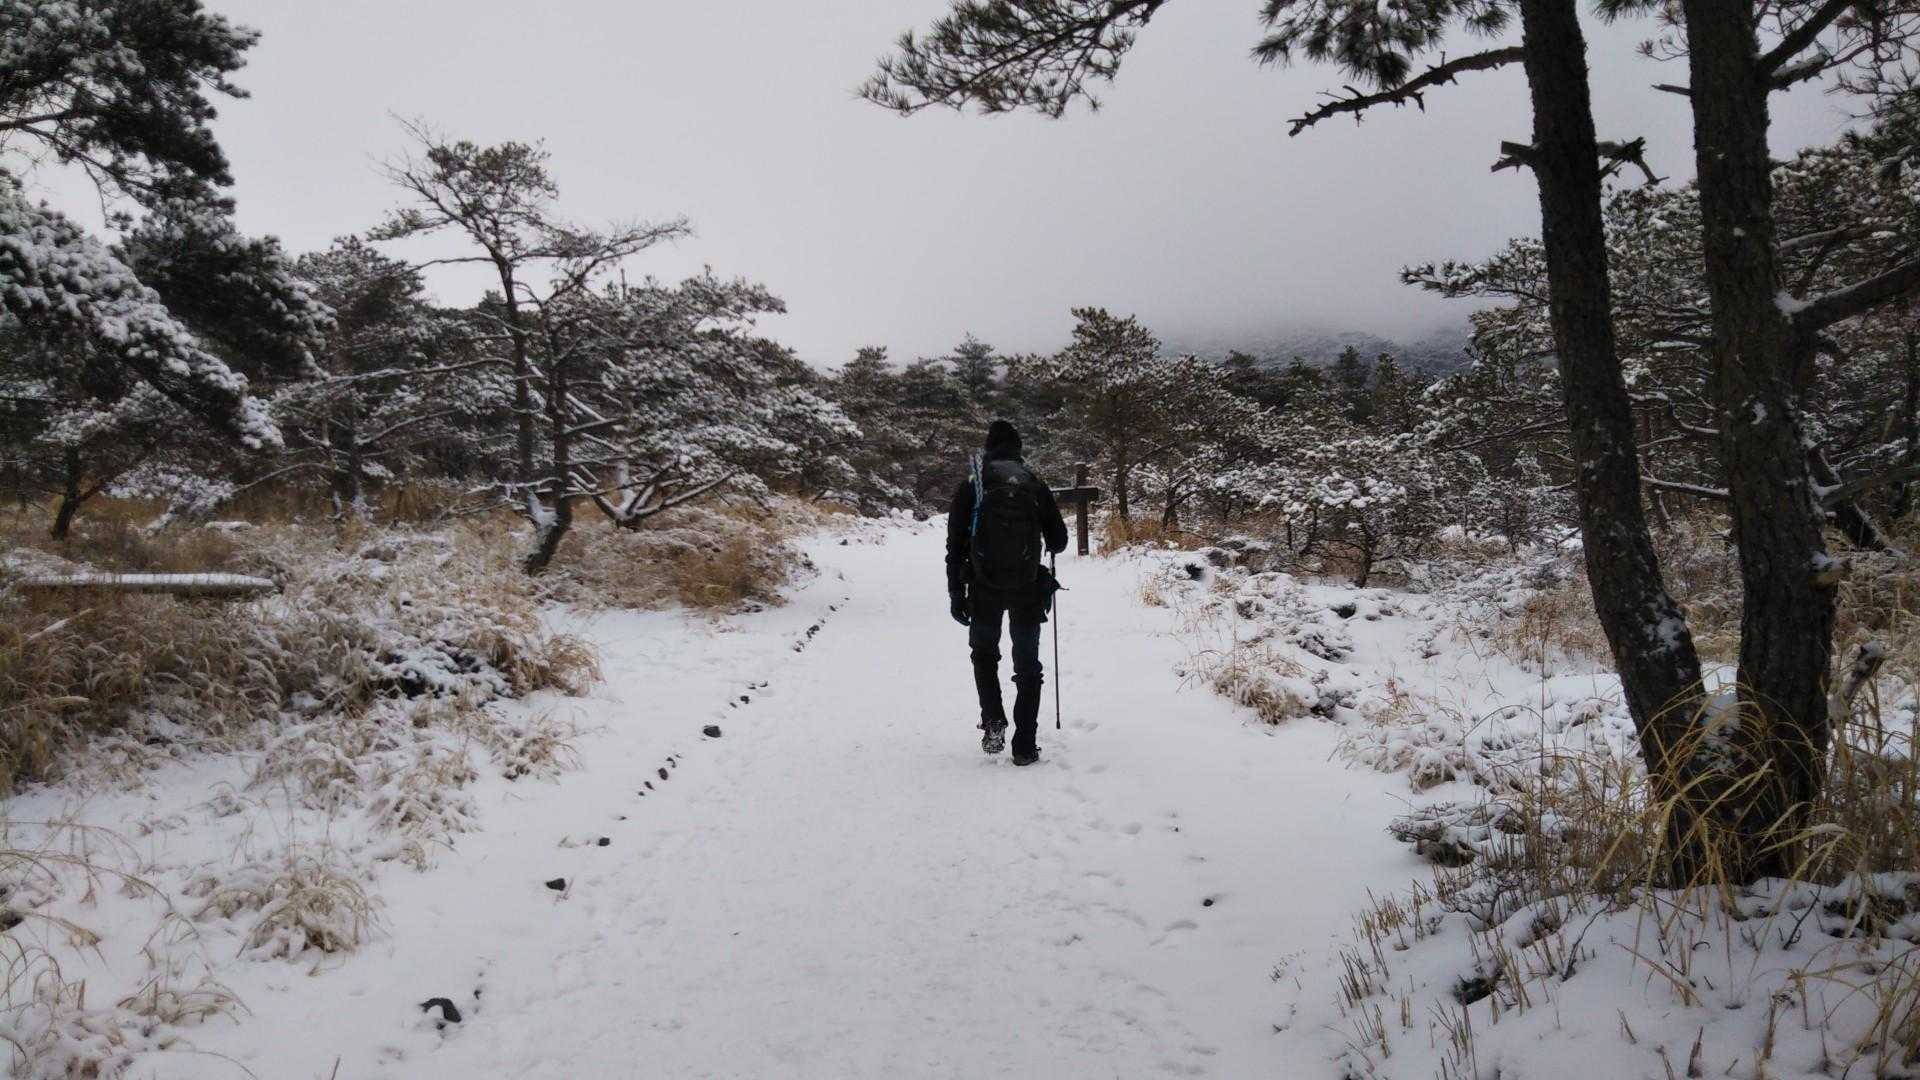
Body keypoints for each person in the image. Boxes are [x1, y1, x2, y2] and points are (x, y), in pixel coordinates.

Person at [947, 420, 1068, 765]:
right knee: (1028, 665)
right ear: (1018, 449)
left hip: (983, 587)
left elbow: (955, 546)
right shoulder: (1034, 483)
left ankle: (993, 720)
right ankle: (1025, 745)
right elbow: (1059, 541)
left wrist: (956, 593)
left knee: (984, 655)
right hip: (1027, 587)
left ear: (988, 448)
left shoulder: (974, 485)